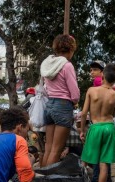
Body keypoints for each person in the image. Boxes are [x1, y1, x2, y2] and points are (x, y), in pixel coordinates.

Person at [80, 63, 115, 182]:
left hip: (95, 127)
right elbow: (114, 114)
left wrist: (82, 130)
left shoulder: (92, 90)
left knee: (85, 159)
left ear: (103, 75)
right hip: (109, 128)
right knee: (104, 163)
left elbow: (84, 113)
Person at [39, 34, 80, 167]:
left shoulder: (47, 64)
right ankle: (47, 181)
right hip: (63, 107)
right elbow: (74, 93)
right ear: (71, 49)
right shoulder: (67, 66)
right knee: (56, 150)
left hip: (49, 105)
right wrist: (75, 101)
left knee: (48, 147)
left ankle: (41, 177)